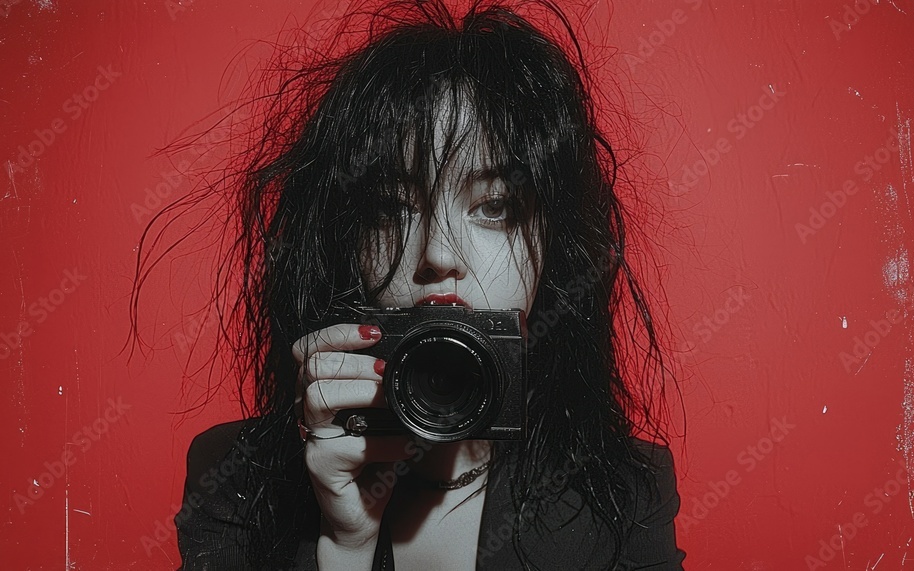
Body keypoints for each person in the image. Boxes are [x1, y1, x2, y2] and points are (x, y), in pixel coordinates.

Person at [164, 0, 686, 568]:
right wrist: (344, 547)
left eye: (495, 206)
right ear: (348, 238)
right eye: (392, 208)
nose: (438, 254)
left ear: (551, 246)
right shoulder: (234, 478)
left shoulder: (628, 491)